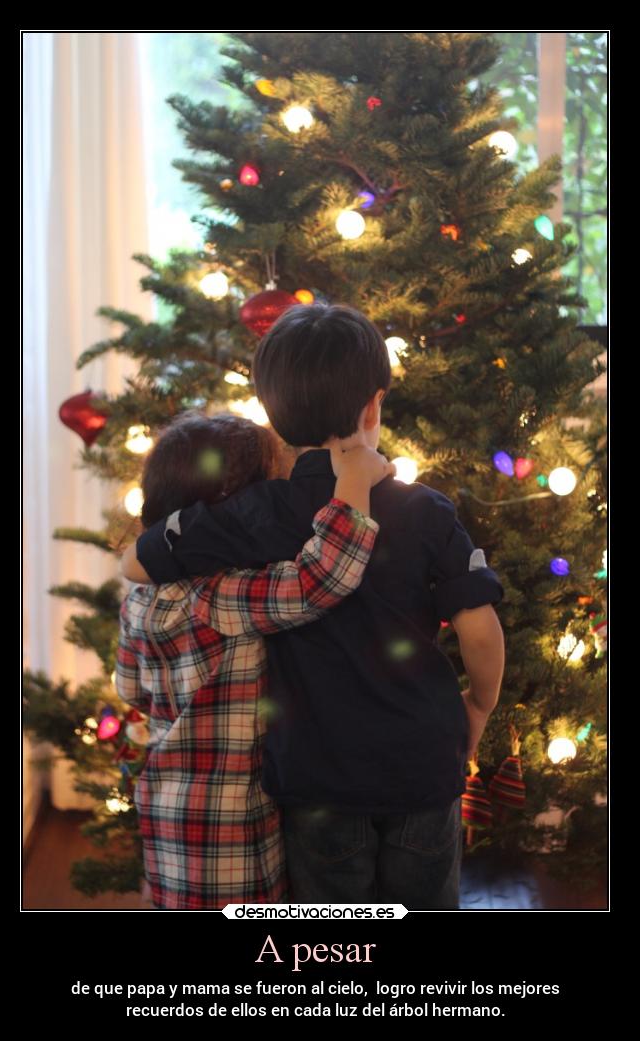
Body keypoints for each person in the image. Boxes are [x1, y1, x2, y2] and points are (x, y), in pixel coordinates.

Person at [125, 304, 505, 909]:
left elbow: (143, 559)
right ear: (374, 408)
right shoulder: (426, 511)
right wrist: (480, 706)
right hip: (422, 767)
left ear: (274, 421)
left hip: (316, 780)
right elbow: (479, 627)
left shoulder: (259, 512)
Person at [117, 411, 392, 909]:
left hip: (163, 807)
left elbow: (129, 689)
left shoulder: (139, 597)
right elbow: (323, 577)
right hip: (229, 824)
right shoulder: (222, 595)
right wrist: (356, 478)